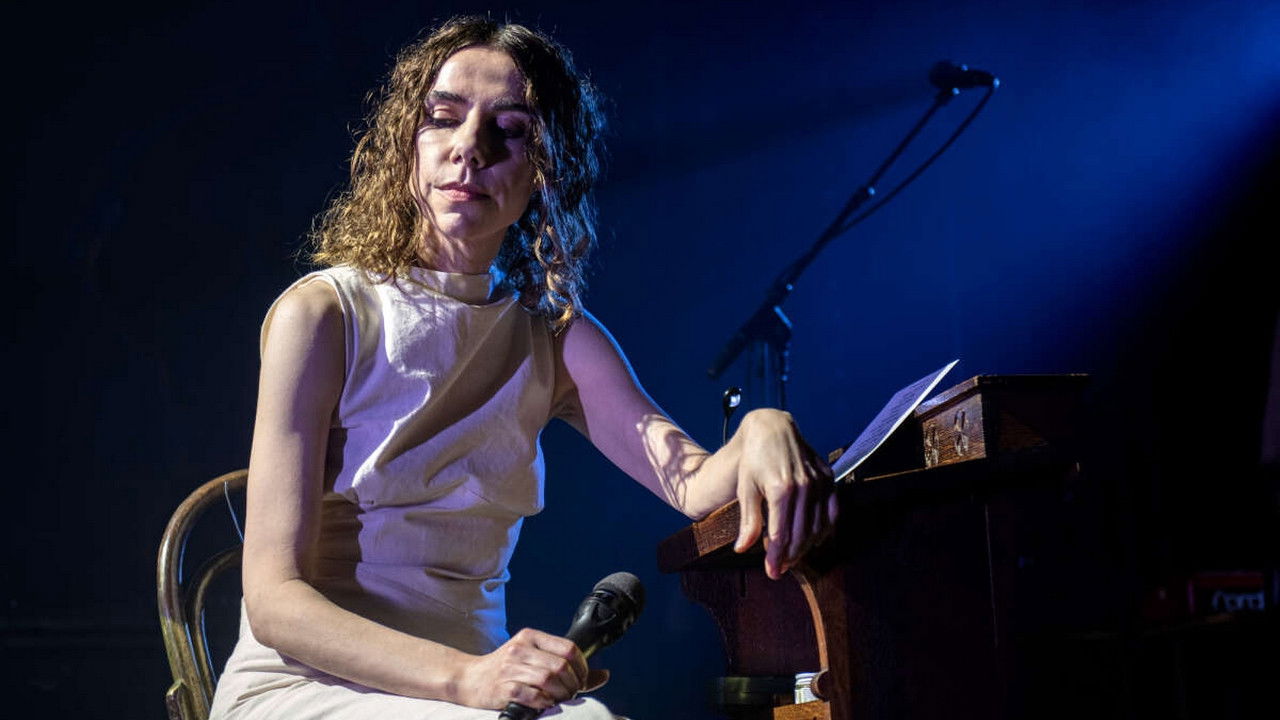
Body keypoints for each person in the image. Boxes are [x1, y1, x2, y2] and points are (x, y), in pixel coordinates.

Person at [209, 16, 837, 720]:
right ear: (406, 146)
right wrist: (465, 679)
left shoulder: (554, 335)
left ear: (546, 168)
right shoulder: (324, 314)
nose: (467, 150)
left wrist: (763, 424)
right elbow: (274, 601)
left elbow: (694, 488)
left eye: (507, 130)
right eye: (442, 119)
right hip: (312, 685)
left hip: (476, 693)